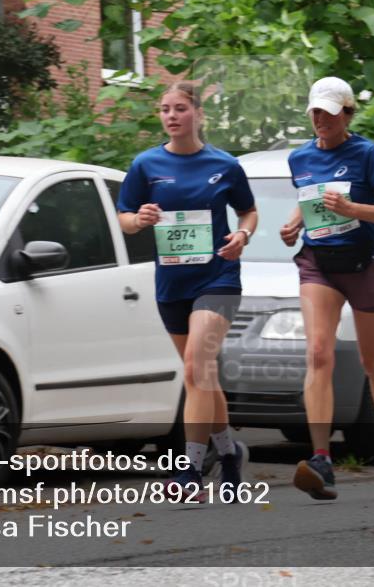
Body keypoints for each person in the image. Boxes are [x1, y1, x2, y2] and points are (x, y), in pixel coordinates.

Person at [117, 81, 258, 500]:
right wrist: (138, 219)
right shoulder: (146, 165)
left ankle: (191, 472)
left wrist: (243, 236)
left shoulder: (224, 164)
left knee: (196, 366)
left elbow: (248, 211)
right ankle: (230, 454)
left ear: (198, 114)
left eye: (180, 108)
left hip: (218, 279)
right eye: (164, 109)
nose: (171, 116)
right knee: (204, 375)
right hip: (171, 283)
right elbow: (124, 216)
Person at [279, 76, 374, 500]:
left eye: (329, 113)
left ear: (346, 114)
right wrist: (294, 222)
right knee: (318, 353)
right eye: (315, 112)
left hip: (363, 262)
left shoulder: (366, 154)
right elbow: (310, 196)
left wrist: (354, 208)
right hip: (319, 262)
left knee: (373, 358)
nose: (321, 120)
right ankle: (321, 459)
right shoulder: (299, 157)